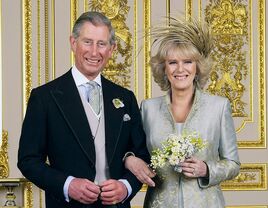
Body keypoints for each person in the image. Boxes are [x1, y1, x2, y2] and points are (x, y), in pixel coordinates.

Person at [17, 11, 150, 208]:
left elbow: (142, 155)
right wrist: (67, 185)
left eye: (102, 44)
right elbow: (28, 160)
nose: (94, 52)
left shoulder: (125, 97)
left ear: (112, 49)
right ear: (73, 43)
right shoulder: (45, 97)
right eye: (87, 42)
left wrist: (125, 187)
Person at [124, 17, 240, 207]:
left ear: (197, 67)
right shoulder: (148, 108)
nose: (180, 69)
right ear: (163, 68)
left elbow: (233, 164)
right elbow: (132, 152)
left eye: (187, 62)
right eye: (172, 62)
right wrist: (129, 160)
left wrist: (206, 169)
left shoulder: (218, 107)